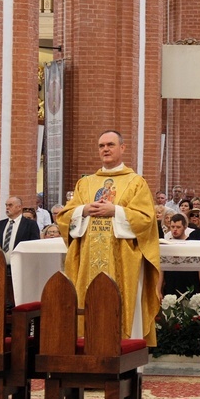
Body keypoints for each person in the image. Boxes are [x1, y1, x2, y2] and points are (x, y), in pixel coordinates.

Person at [56, 130, 160, 344]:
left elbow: (146, 219)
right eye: (102, 145)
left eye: (110, 145)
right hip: (87, 257)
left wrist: (116, 211)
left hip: (123, 258)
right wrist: (83, 210)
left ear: (122, 148)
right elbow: (65, 216)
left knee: (123, 302)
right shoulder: (85, 183)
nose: (105, 149)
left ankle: (127, 353)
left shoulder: (136, 182)